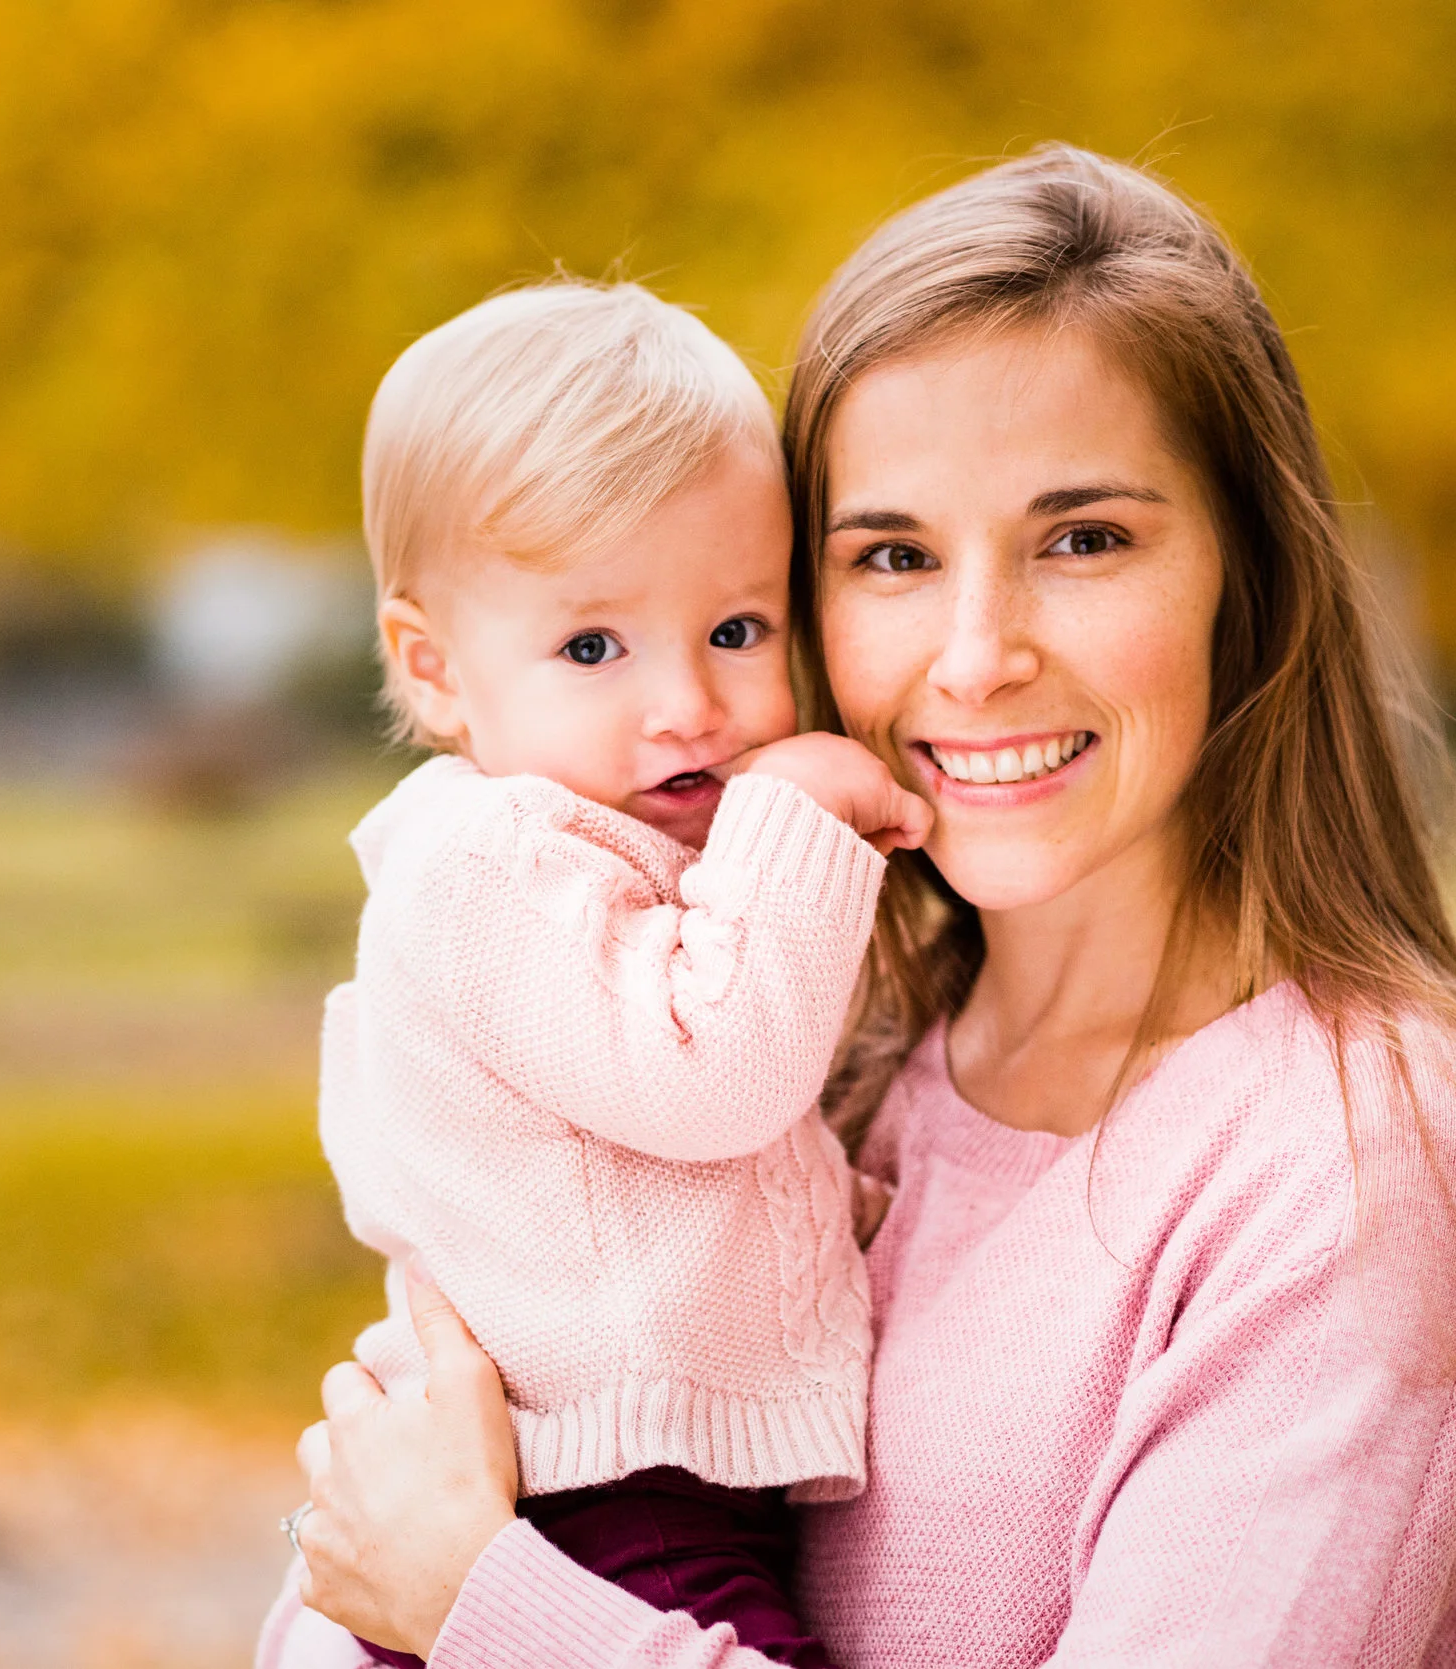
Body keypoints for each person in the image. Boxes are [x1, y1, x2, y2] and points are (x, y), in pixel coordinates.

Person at [271, 146, 1456, 1668]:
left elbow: (452, 1581)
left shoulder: (1353, 1150)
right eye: (894, 557)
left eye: (1083, 540)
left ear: (1242, 578)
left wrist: (484, 1610)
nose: (977, 653)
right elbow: (382, 1531)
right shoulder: (824, 1046)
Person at [301, 278, 931, 1668]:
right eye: (593, 647)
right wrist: (800, 815)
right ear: (435, 668)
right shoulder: (486, 865)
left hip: (649, 1477)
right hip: (601, 1501)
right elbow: (710, 1076)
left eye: (737, 630)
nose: (688, 707)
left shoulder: (591, 850)